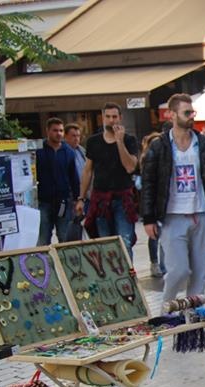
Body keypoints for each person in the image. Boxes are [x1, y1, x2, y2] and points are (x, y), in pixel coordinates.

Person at [140, 93, 205, 305]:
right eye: (186, 112)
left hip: (200, 214)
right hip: (173, 216)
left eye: (193, 112)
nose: (191, 116)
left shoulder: (203, 144)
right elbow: (149, 183)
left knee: (201, 271)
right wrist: (148, 218)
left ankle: (194, 315)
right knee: (179, 270)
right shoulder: (160, 146)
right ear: (171, 115)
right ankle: (168, 308)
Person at [77, 102, 140, 257]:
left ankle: (128, 277)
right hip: (101, 199)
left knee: (124, 241)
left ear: (120, 118)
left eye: (114, 117)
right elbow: (87, 170)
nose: (111, 120)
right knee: (104, 243)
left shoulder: (129, 140)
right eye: (108, 117)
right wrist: (81, 198)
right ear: (102, 118)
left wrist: (119, 141)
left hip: (123, 198)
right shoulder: (93, 141)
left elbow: (130, 167)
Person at [35, 117, 80, 245]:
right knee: (43, 237)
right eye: (55, 130)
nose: (58, 133)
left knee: (64, 235)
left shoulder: (69, 152)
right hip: (43, 202)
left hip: (63, 203)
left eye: (61, 130)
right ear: (47, 131)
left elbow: (74, 177)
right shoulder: (39, 151)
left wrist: (77, 199)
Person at [138, 132, 165, 279]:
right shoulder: (146, 160)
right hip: (153, 203)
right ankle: (155, 263)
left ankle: (164, 265)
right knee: (155, 234)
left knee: (164, 234)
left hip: (163, 202)